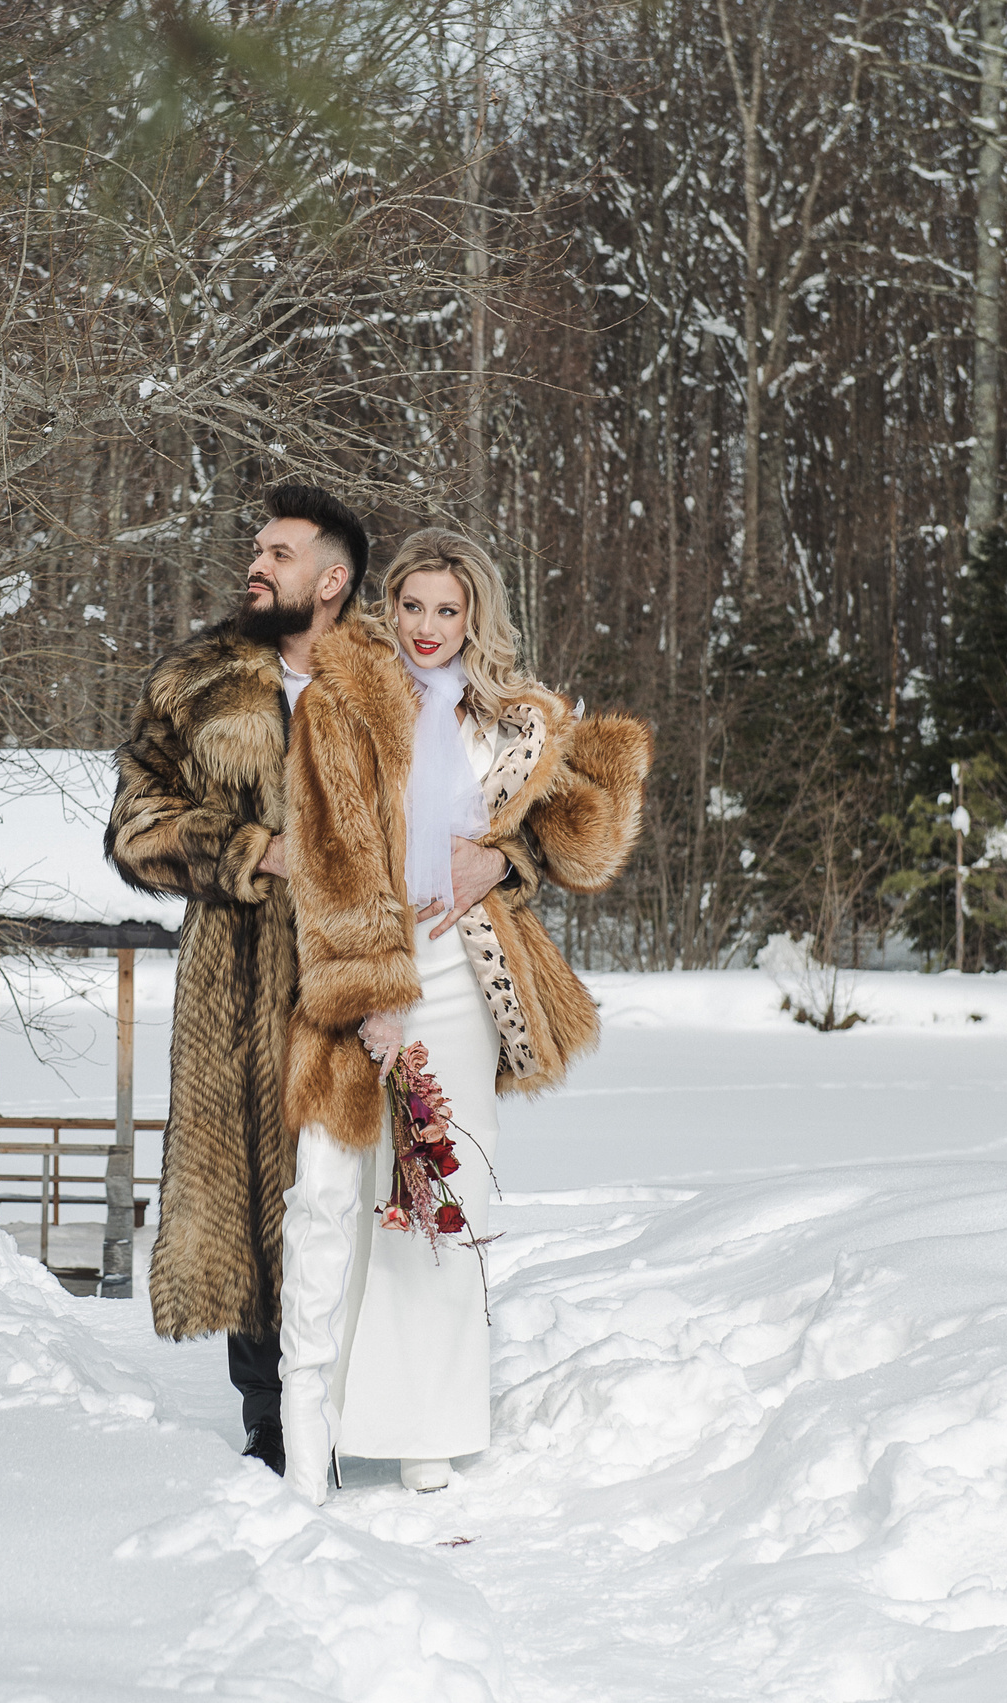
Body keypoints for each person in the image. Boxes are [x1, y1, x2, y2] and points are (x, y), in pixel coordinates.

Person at [277, 526, 653, 1502]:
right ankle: (324, 1419)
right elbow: (326, 854)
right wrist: (373, 988)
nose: (429, 626)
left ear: (473, 615)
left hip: (465, 978)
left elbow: (584, 848)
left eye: (448, 609)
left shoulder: (516, 722)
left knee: (442, 1195)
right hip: (364, 968)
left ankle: (427, 1429)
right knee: (343, 1199)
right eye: (412, 606)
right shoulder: (346, 704)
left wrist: (507, 859)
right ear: (388, 605)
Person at [104, 482, 370, 1476]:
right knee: (267, 1198)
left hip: (368, 978)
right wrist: (255, 849)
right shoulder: (198, 680)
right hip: (239, 987)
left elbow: (478, 802)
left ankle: (374, 1399)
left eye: (281, 552)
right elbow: (135, 827)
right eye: (254, 548)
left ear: (332, 580)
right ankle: (271, 1417)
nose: (257, 564)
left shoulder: (393, 679)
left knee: (368, 1191)